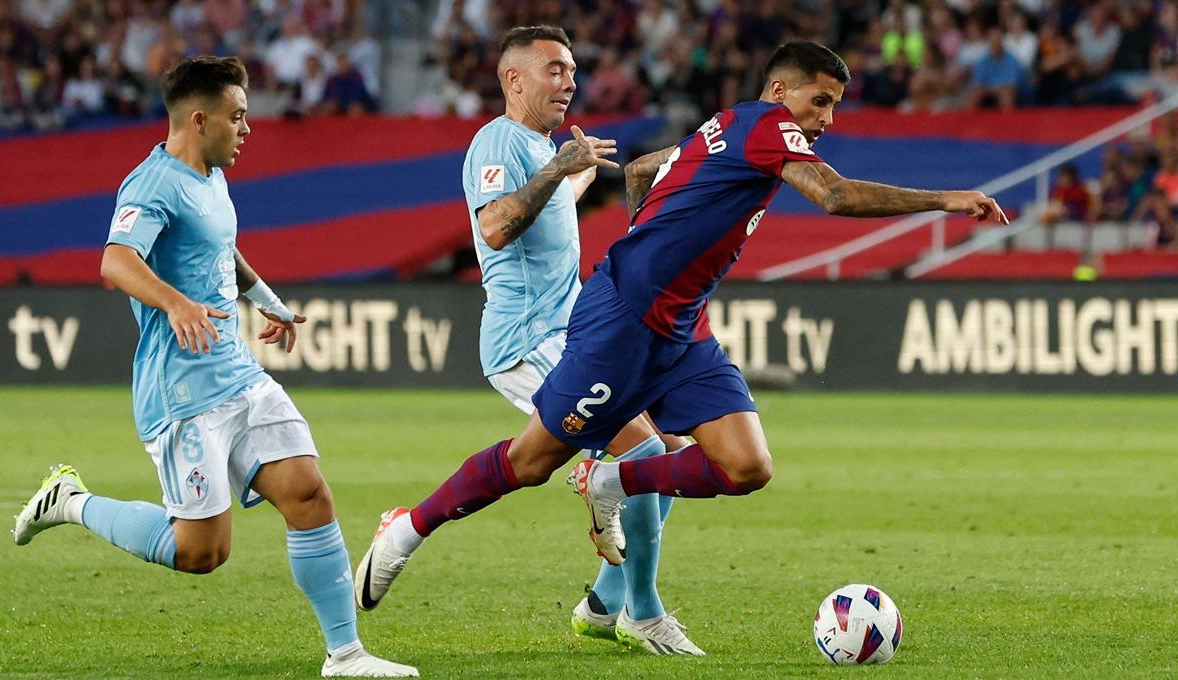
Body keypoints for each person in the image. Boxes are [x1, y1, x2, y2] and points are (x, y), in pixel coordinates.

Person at [355, 41, 1007, 649]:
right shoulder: (767, 125)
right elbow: (833, 195)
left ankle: (613, 490)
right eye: (821, 101)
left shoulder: (724, 129)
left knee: (746, 466)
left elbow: (643, 168)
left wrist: (653, 235)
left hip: (681, 329)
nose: (827, 118)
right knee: (530, 463)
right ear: (781, 91)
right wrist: (948, 200)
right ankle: (409, 528)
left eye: (834, 104)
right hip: (623, 324)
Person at [11, 56, 417, 679]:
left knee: (309, 493)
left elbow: (221, 248)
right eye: (238, 116)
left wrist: (269, 304)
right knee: (202, 553)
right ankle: (71, 500)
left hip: (237, 374)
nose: (247, 128)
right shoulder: (150, 184)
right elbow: (115, 262)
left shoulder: (210, 177)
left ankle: (346, 654)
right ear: (199, 119)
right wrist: (174, 303)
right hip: (181, 393)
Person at [354, 25, 702, 656]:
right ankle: (642, 613)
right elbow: (494, 226)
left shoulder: (541, 150)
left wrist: (579, 177)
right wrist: (558, 170)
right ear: (514, 79)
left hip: (574, 333)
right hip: (526, 338)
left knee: (638, 453)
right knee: (644, 456)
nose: (570, 81)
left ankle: (601, 600)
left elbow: (552, 202)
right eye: (555, 70)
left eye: (572, 70)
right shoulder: (496, 139)